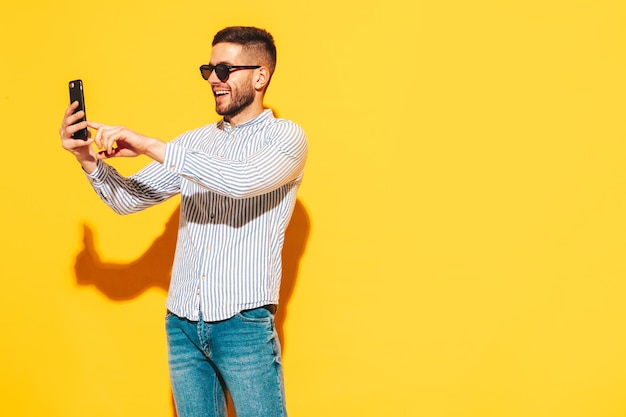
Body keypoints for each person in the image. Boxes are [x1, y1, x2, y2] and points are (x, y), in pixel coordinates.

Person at [59, 26, 307, 417]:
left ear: (260, 76)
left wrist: (149, 145)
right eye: (209, 69)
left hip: (243, 322)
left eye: (224, 70)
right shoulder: (192, 143)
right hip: (183, 324)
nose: (213, 79)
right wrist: (86, 158)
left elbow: (239, 182)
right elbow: (128, 199)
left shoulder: (286, 138)